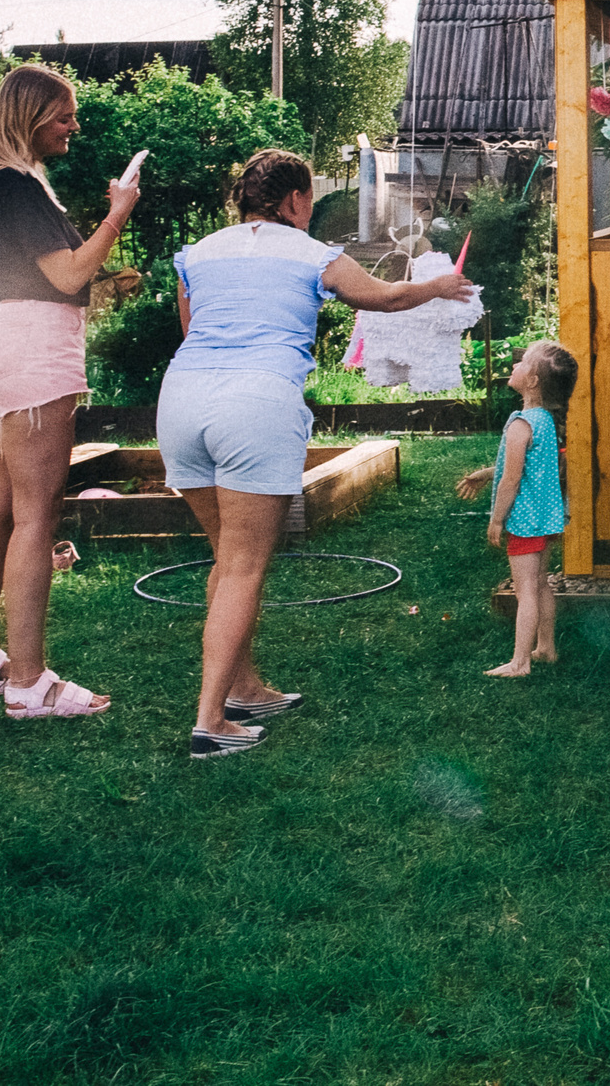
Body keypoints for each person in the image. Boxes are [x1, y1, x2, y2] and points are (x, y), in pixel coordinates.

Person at [161, 149, 479, 757]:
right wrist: (438, 285)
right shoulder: (312, 253)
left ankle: (245, 686)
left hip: (181, 401)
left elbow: (191, 329)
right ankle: (211, 722)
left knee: (225, 560)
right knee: (244, 568)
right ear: (294, 201)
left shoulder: (198, 254)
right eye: (308, 200)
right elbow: (382, 298)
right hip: (255, 403)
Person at [0, 64, 137, 720]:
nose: (74, 126)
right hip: (33, 351)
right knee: (37, 517)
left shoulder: (12, 184)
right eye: (64, 115)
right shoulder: (16, 185)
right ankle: (29, 683)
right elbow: (66, 274)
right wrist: (117, 216)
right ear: (30, 116)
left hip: (5, 343)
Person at [484, 340, 580, 678]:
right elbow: (528, 467)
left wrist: (497, 520)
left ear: (533, 381)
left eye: (522, 363)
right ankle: (546, 648)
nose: (514, 366)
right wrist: (485, 474)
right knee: (541, 584)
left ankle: (520, 662)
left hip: (523, 522)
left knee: (525, 590)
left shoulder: (520, 423)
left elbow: (511, 481)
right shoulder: (544, 421)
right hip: (545, 518)